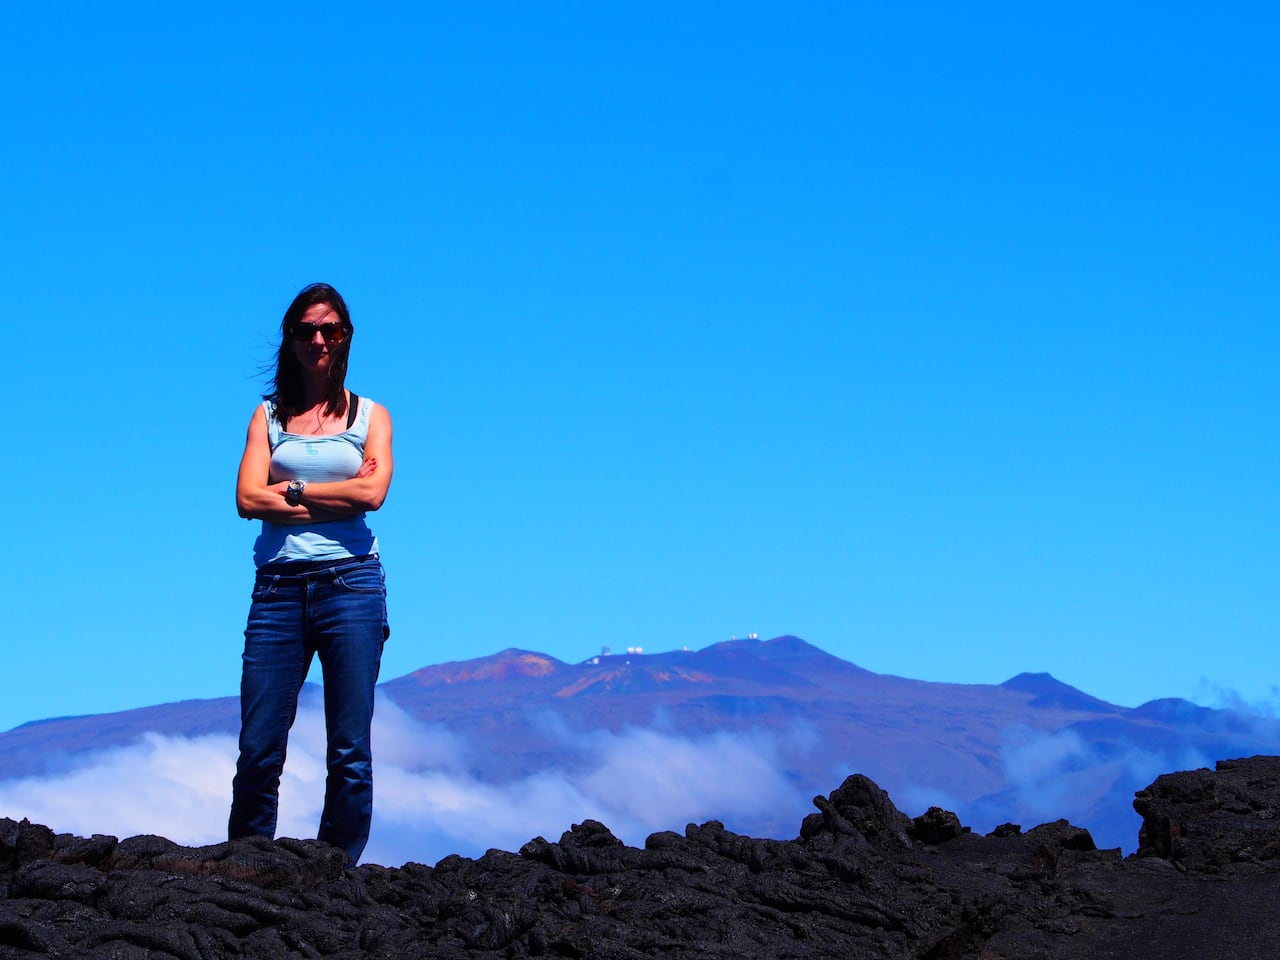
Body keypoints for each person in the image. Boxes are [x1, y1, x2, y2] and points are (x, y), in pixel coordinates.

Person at [228, 282, 393, 865]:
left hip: (351, 585)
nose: (318, 340)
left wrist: (292, 488)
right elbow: (247, 498)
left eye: (329, 330)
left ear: (346, 338)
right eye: (306, 330)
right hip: (277, 590)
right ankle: (247, 867)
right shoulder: (268, 415)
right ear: (290, 340)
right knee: (259, 745)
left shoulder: (371, 416)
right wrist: (335, 493)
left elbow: (372, 494)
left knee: (349, 747)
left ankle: (334, 871)